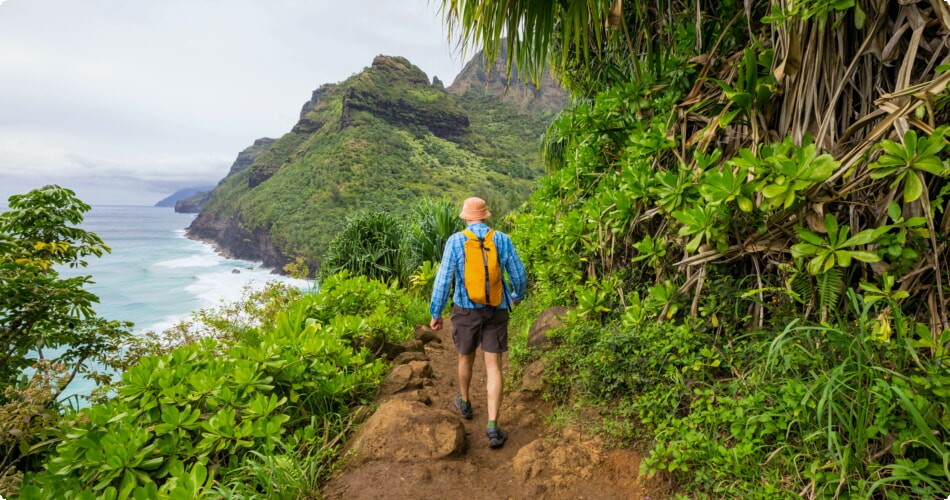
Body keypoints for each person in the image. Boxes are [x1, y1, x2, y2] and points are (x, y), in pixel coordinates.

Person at [429, 197, 527, 449]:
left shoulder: (456, 241)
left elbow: (443, 279)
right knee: (494, 366)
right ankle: (493, 425)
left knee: (465, 357)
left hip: (465, 309)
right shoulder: (502, 239)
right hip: (497, 308)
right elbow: (519, 273)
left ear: (466, 217)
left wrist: (436, 313)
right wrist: (517, 295)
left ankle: (465, 402)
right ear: (484, 215)